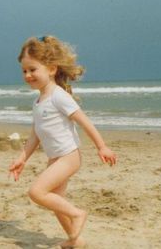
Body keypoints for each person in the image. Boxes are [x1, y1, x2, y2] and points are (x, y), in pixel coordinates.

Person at [8, 36, 117, 248]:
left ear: (51, 69)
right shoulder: (38, 101)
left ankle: (78, 214)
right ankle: (76, 241)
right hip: (55, 158)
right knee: (57, 202)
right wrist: (22, 158)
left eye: (33, 69)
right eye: (24, 71)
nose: (28, 75)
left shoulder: (58, 96)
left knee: (37, 192)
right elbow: (35, 134)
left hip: (68, 156)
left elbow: (85, 122)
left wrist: (102, 146)